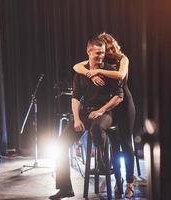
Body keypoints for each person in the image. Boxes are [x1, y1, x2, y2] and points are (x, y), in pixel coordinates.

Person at [49, 37, 124, 200]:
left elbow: (119, 97)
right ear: (88, 52)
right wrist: (76, 118)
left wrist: (101, 110)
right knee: (60, 144)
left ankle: (104, 162)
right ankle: (65, 188)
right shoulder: (81, 73)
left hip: (106, 113)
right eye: (97, 53)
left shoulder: (109, 70)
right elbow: (75, 98)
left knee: (97, 128)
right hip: (85, 113)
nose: (101, 57)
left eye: (103, 53)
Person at [73, 32, 135, 198]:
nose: (105, 52)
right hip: (110, 107)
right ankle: (118, 180)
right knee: (114, 145)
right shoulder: (103, 61)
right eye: (103, 50)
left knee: (126, 144)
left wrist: (97, 71)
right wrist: (88, 72)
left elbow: (120, 75)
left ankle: (130, 182)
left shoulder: (122, 59)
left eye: (107, 48)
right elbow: (77, 66)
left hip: (124, 104)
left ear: (113, 46)